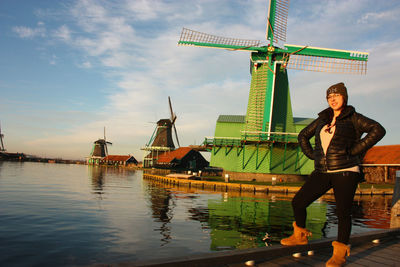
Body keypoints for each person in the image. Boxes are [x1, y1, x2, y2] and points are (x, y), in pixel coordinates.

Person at [280, 82, 386, 267]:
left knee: (343, 212)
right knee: (298, 202)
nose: (333, 99)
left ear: (344, 97)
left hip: (346, 170)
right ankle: (300, 236)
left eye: (336, 96)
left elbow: (378, 130)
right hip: (323, 170)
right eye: (329, 97)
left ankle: (340, 253)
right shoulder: (323, 119)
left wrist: (355, 150)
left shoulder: (354, 118)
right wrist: (314, 155)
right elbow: (303, 135)